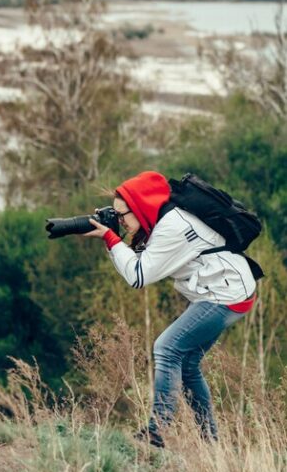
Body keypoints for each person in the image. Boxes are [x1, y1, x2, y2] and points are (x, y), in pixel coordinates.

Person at [83, 171, 256, 447]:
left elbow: (138, 275)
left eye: (122, 215)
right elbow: (141, 260)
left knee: (167, 348)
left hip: (226, 294)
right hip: (226, 290)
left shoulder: (172, 226)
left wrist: (111, 240)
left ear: (139, 207)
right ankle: (209, 441)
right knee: (187, 364)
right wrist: (112, 238)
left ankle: (158, 430)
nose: (120, 221)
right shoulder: (161, 220)